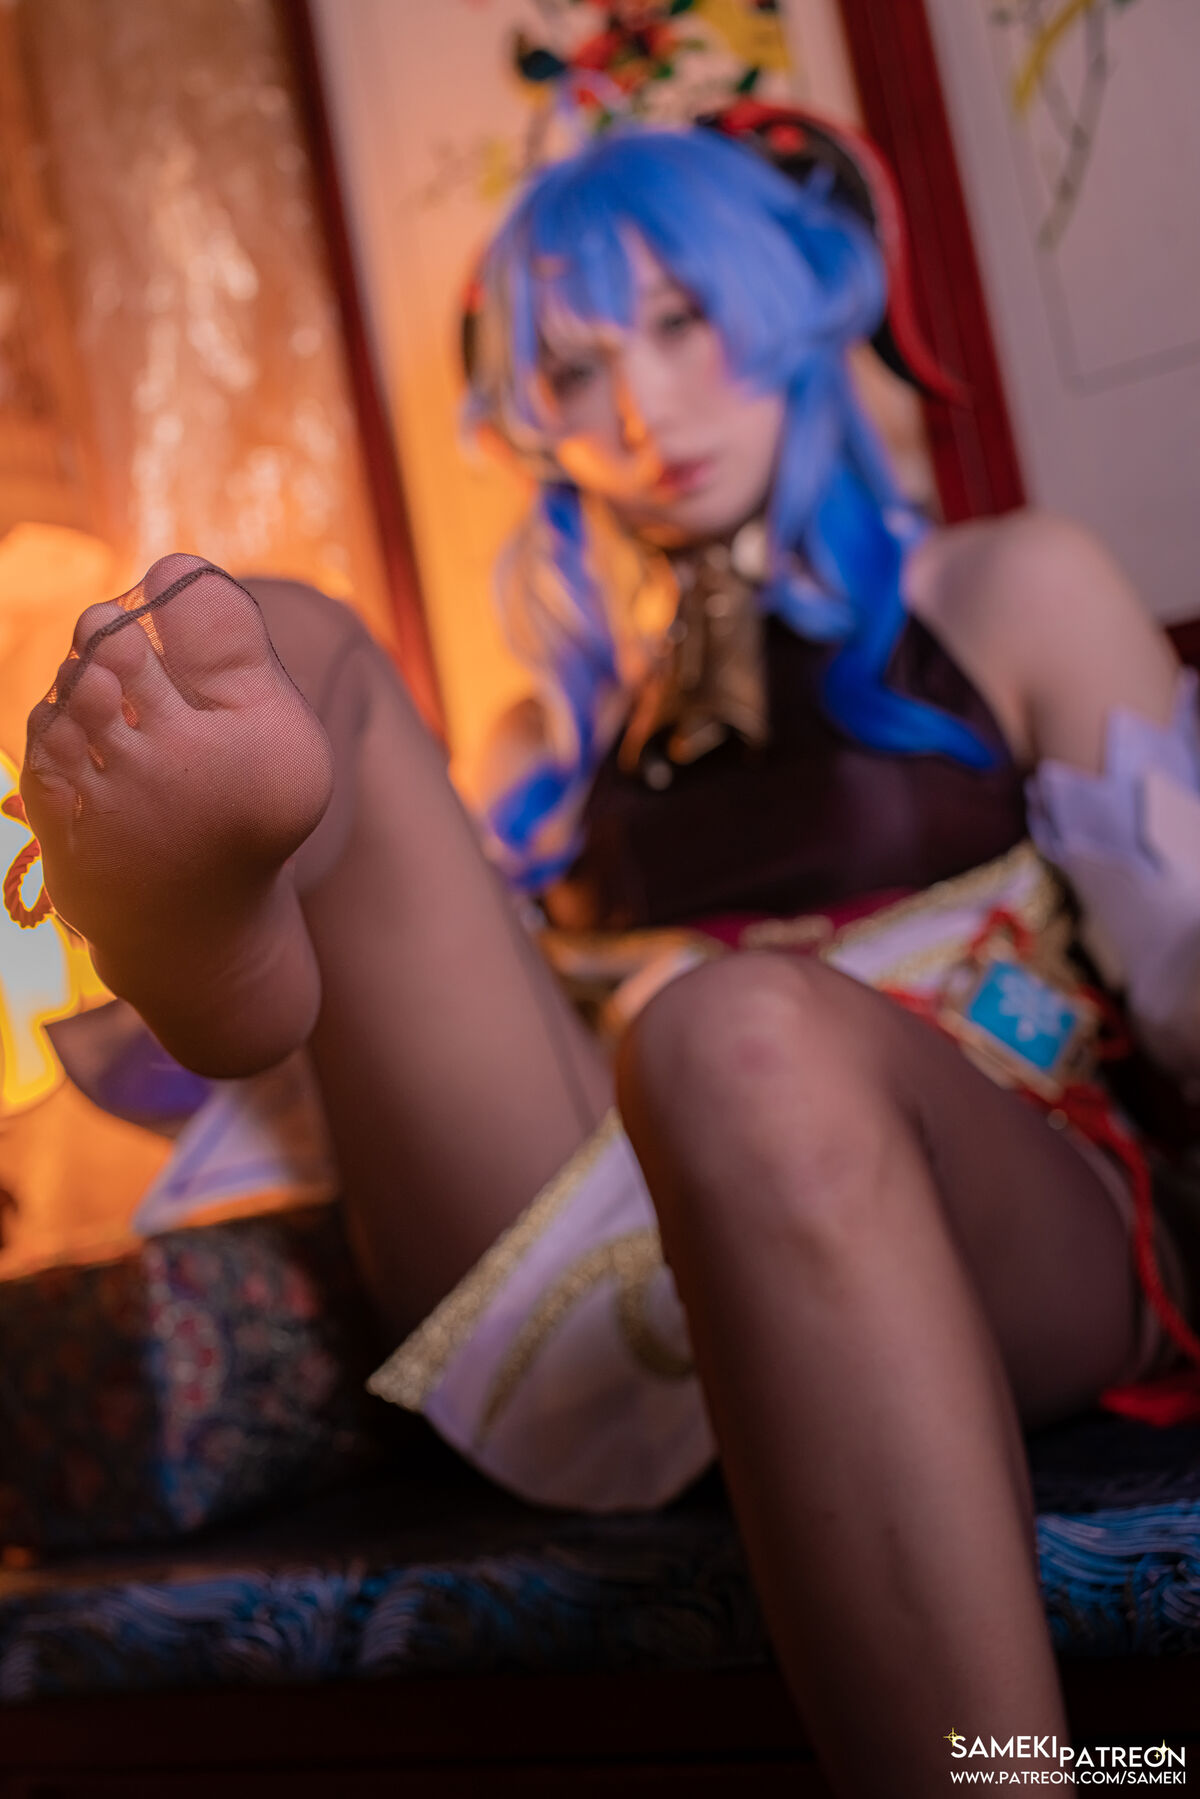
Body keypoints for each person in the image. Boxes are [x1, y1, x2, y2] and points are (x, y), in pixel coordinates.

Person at [17, 120, 1200, 1797]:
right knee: (315, 660)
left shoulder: (1010, 585)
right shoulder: (555, 741)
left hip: (1000, 1196)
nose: (642, 412)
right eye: (575, 371)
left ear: (795, 298)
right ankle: (223, 972)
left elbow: (1186, 967)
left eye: (682, 322)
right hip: (636, 1243)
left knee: (733, 1038)